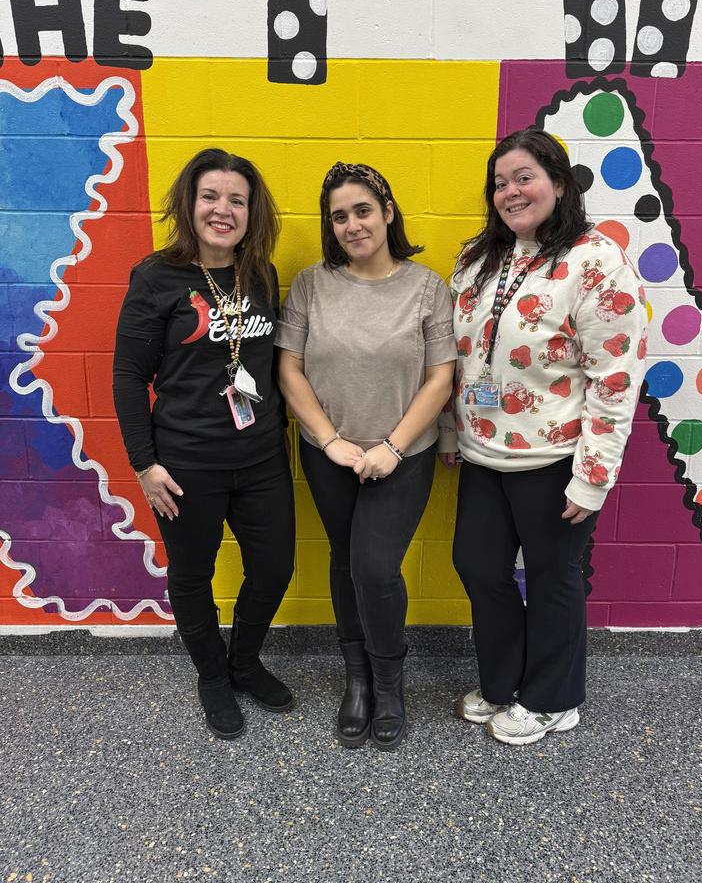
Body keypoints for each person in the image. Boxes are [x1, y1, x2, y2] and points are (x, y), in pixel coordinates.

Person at [439, 129, 646, 746]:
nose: (510, 192)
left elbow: (615, 376)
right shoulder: (479, 259)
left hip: (555, 458)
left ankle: (554, 698)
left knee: (554, 577)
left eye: (524, 177)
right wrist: (450, 431)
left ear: (558, 183)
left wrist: (593, 476)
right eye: (499, 182)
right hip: (482, 453)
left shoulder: (596, 261)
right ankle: (504, 683)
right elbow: (457, 356)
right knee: (478, 566)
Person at [112, 149, 295, 741]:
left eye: (237, 200)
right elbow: (128, 376)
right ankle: (212, 675)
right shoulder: (156, 276)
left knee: (274, 568)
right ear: (189, 204)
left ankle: (244, 661)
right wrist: (144, 465)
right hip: (186, 464)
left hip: (261, 458)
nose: (223, 210)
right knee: (192, 575)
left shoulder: (259, 273)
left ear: (251, 212)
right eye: (210, 196)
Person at [276, 161, 455, 751]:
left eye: (362, 211)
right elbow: (289, 369)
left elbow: (440, 378)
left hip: (403, 455)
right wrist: (330, 440)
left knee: (374, 568)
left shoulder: (427, 288)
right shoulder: (311, 285)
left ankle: (389, 682)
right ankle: (356, 679)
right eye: (339, 216)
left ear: (387, 213)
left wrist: (392, 448)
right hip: (328, 452)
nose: (352, 225)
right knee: (344, 558)